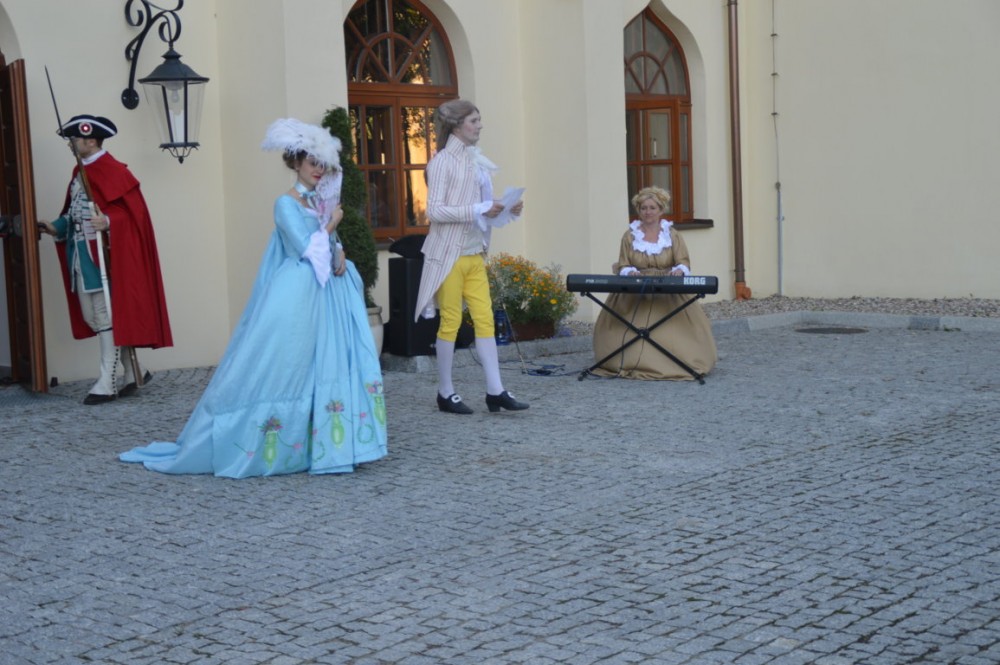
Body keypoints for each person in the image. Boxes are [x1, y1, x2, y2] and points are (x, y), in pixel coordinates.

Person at [120, 118, 387, 477]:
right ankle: (267, 439)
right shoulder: (285, 204)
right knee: (285, 364)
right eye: (312, 163)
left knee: (325, 364)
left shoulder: (319, 201)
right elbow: (306, 248)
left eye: (322, 164)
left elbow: (328, 246)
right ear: (296, 162)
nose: (318, 171)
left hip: (328, 296)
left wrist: (340, 252)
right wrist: (332, 224)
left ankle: (329, 442)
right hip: (298, 294)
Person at [38, 114, 172, 405]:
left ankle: (106, 382)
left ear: (90, 140)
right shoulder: (79, 172)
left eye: (74, 139)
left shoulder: (114, 170)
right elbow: (73, 212)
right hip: (80, 254)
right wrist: (55, 227)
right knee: (94, 316)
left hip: (103, 258)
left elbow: (134, 216)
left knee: (103, 316)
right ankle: (135, 370)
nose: (71, 144)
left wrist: (109, 221)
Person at [413, 99, 528, 415]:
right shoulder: (441, 163)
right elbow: (435, 211)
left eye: (479, 120)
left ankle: (495, 390)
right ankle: (445, 391)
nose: (479, 126)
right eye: (474, 121)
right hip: (449, 255)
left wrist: (504, 208)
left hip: (475, 253)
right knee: (450, 321)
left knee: (485, 319)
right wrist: (480, 208)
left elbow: (480, 209)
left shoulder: (475, 161)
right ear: (456, 125)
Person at [591, 186, 717, 380]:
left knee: (673, 330)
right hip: (635, 288)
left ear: (661, 210)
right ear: (639, 210)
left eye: (652, 208)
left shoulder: (672, 235)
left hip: (667, 287)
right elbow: (623, 263)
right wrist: (630, 272)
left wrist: (679, 270)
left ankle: (676, 361)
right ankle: (629, 360)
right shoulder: (629, 236)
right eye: (643, 208)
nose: (647, 212)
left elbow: (683, 261)